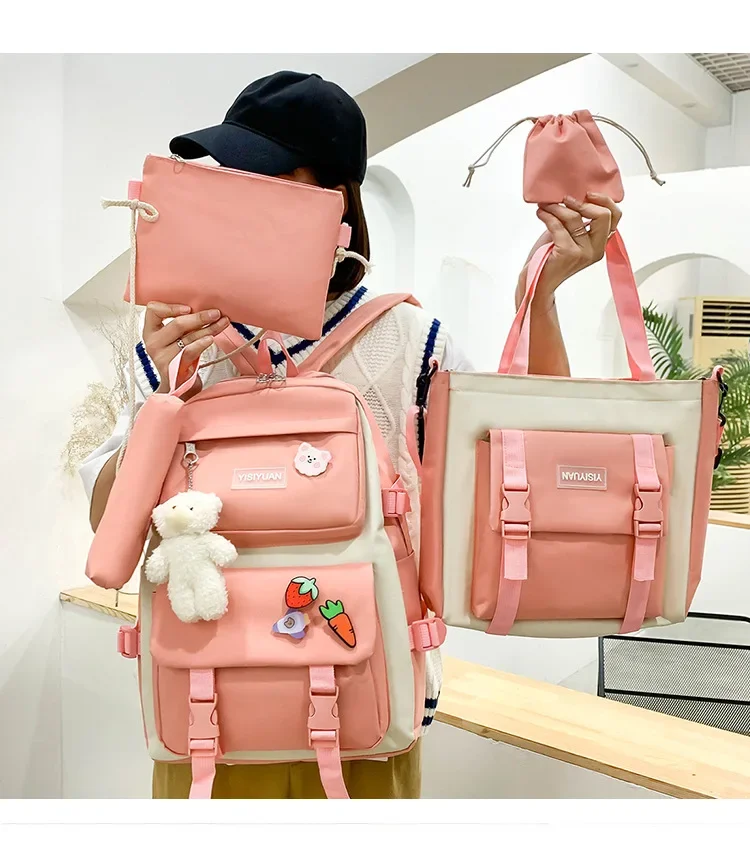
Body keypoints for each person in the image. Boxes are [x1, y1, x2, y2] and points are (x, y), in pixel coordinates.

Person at [80, 70, 622, 799]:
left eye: (263, 176)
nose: (234, 194)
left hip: (365, 707)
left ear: (334, 199)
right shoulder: (183, 339)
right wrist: (158, 391)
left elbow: (524, 473)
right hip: (204, 711)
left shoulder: (412, 340)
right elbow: (108, 526)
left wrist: (543, 295)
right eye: (225, 175)